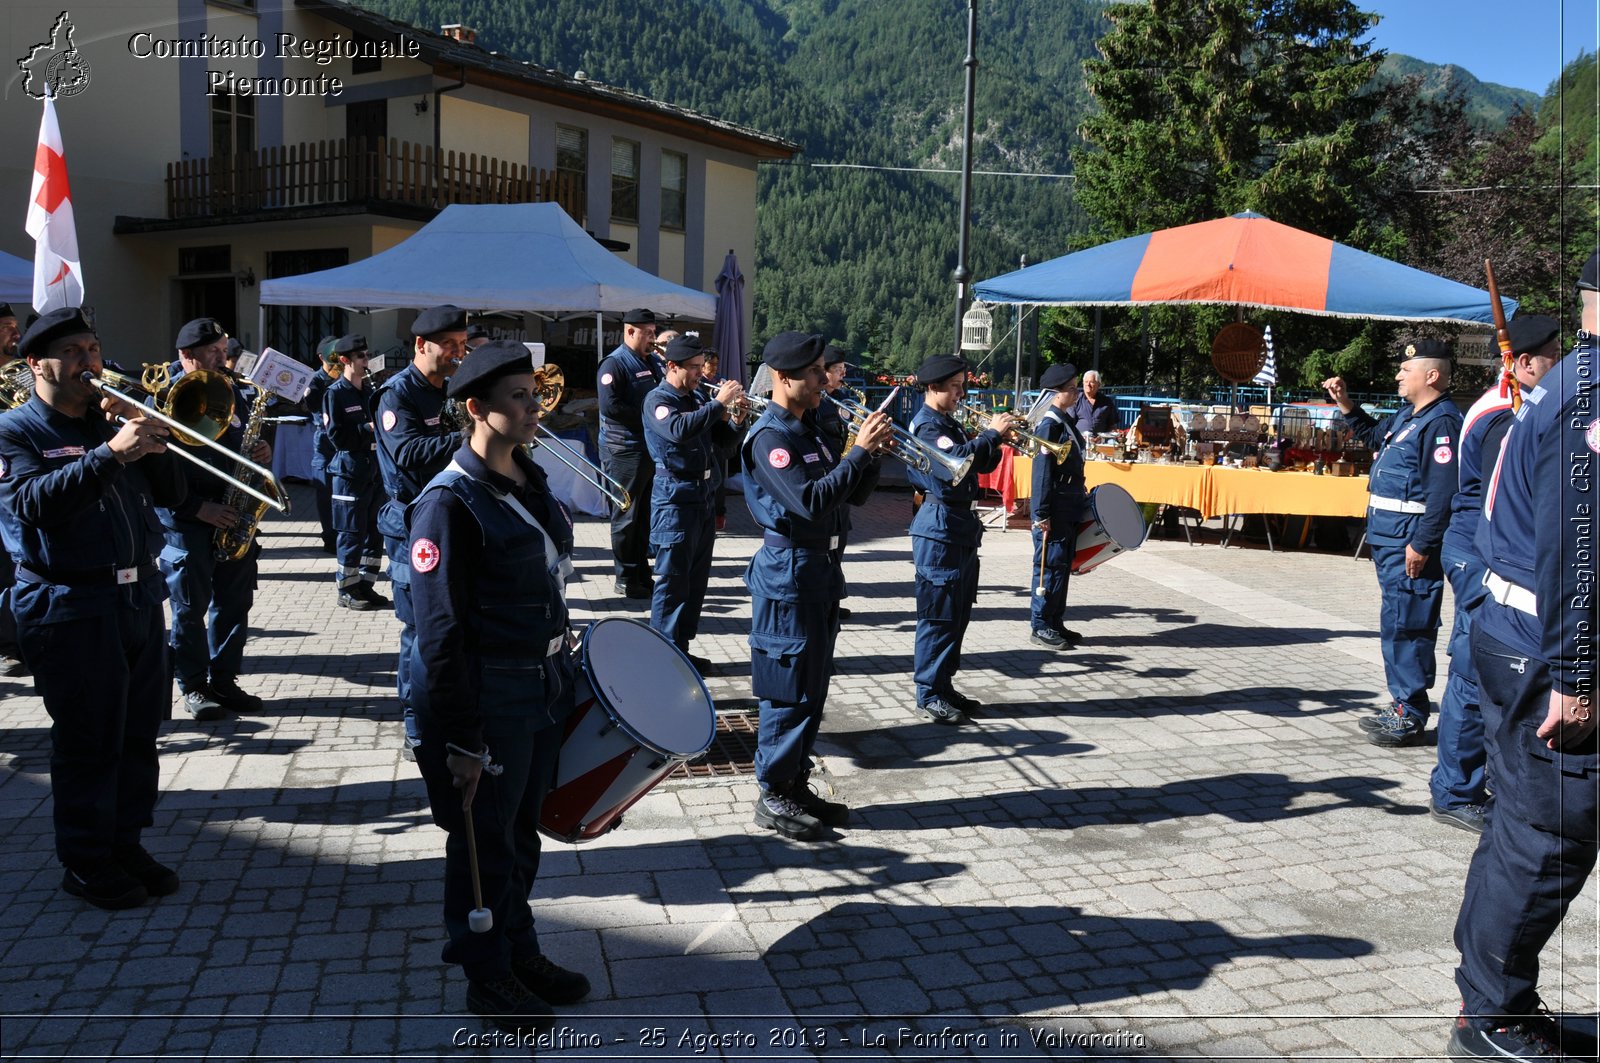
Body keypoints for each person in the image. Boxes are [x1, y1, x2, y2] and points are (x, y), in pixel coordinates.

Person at [406, 340, 591, 1033]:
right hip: (488, 696)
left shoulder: (527, 474)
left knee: (520, 833)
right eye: (519, 396)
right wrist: (461, 737)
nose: (535, 405)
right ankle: (487, 975)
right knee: (483, 842)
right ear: (476, 409)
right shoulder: (446, 505)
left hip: (540, 684)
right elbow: (440, 635)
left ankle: (519, 948)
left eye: (535, 393)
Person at [1446, 257, 1599, 1060]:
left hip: (1518, 637)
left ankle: (1487, 987)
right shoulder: (1594, 395)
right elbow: (1578, 552)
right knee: (1552, 833)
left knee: (1521, 822)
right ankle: (1492, 1013)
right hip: (1548, 651)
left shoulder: (1575, 375)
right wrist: (1577, 678)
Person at [0, 306, 187, 908]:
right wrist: (110, 454)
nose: (90, 361)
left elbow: (176, 496)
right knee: (89, 740)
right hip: (69, 604)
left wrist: (154, 442)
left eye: (94, 347)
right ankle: (84, 859)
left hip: (136, 597)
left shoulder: (112, 422)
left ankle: (124, 842)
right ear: (37, 364)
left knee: (137, 734)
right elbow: (32, 505)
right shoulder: (16, 431)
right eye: (75, 352)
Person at [1408, 316, 1561, 836]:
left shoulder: (1524, 407)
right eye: (1551, 357)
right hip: (1481, 557)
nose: (1560, 366)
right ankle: (1456, 790)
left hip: (1489, 554)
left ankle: (1479, 781)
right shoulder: (1503, 415)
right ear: (1521, 363)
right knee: (1475, 677)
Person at [741, 331, 892, 840]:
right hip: (789, 575)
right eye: (814, 372)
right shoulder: (770, 437)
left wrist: (869, 455)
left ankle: (794, 779)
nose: (824, 379)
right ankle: (773, 792)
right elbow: (808, 502)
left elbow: (846, 496)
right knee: (787, 689)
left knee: (811, 688)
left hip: (819, 573)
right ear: (784, 379)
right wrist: (857, 454)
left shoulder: (810, 430)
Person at [1322, 341, 1461, 747]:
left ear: (1431, 376)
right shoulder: (1409, 416)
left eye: (1405, 369)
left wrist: (1422, 544)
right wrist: (1345, 403)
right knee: (1396, 622)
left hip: (1409, 543)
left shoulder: (1442, 423)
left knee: (1410, 623)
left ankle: (1411, 712)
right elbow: (1372, 435)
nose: (1398, 375)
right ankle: (1403, 702)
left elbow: (1443, 495)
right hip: (1389, 539)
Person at [158, 317, 272, 722]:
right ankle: (193, 686)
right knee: (190, 607)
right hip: (189, 518)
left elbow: (242, 438)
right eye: (215, 353)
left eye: (226, 351)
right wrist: (195, 509)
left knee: (234, 602)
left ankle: (224, 680)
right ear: (186, 357)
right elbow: (154, 473)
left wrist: (259, 452)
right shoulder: (160, 397)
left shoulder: (232, 390)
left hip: (233, 509)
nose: (226, 360)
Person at [374, 305, 468, 757]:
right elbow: (408, 453)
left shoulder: (449, 389)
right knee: (418, 631)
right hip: (412, 525)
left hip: (449, 520)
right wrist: (469, 436)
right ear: (420, 345)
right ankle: (416, 724)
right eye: (448, 346)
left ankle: (448, 714)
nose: (457, 353)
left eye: (461, 345)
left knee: (452, 629)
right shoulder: (397, 394)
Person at [906, 354, 1010, 725]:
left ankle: (944, 684)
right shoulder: (927, 428)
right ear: (933, 387)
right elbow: (955, 466)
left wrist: (996, 443)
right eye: (955, 387)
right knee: (939, 614)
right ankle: (929, 691)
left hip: (959, 524)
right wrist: (991, 435)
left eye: (962, 385)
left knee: (959, 612)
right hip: (938, 525)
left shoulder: (948, 422)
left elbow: (979, 465)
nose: (961, 393)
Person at [641, 334, 742, 673]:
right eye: (695, 368)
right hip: (674, 499)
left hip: (702, 497)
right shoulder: (659, 399)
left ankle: (681, 651)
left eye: (702, 367)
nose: (702, 374)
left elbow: (722, 445)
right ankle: (661, 657)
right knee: (673, 580)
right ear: (672, 366)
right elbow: (679, 430)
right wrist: (717, 406)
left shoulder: (696, 395)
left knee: (695, 582)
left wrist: (736, 420)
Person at [596, 308, 663, 599]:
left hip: (645, 448)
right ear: (630, 331)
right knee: (627, 516)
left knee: (643, 515)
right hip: (623, 450)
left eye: (653, 332)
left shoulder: (650, 362)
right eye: (647, 333)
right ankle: (625, 576)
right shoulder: (614, 364)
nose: (653, 338)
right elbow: (611, 407)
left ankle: (641, 573)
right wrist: (649, 417)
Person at [323, 334, 389, 610]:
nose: (366, 361)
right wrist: (366, 429)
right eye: (360, 357)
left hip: (374, 470)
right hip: (350, 473)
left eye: (366, 355)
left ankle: (365, 584)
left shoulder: (371, 392)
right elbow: (337, 436)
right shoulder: (335, 394)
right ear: (344, 360)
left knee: (374, 531)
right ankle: (346, 589)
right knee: (352, 532)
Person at [1028, 362, 1090, 650]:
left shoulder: (1064, 421)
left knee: (1062, 566)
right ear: (1056, 393)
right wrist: (1041, 513)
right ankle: (1040, 625)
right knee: (1048, 566)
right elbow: (1042, 471)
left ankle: (1054, 620)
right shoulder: (1049, 425)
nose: (1076, 393)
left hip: (1068, 505)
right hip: (1054, 507)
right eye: (1071, 389)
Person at [817, 344, 879, 621]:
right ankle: (821, 601)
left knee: (837, 547)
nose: (843, 376)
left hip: (844, 481)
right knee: (822, 549)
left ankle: (832, 598)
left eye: (843, 370)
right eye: (838, 371)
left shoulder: (845, 399)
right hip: (825, 478)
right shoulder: (815, 403)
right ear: (824, 372)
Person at [0, 302, 26, 677]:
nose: (14, 333)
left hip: (17, 481)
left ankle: (19, 640)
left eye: (14, 325)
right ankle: (7, 645)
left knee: (18, 562)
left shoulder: (20, 373)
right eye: (6, 326)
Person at [304, 336, 340, 556]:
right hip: (325, 442)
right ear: (322, 357)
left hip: (343, 443)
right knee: (325, 493)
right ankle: (330, 538)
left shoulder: (345, 377)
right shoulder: (315, 380)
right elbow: (313, 406)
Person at [1068, 369, 1116, 436]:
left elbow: (1112, 425)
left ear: (1098, 384)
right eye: (1086, 382)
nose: (1088, 384)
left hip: (1100, 442)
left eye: (1091, 382)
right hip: (1080, 441)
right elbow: (1069, 423)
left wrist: (1108, 437)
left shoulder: (1107, 402)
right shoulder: (1075, 400)